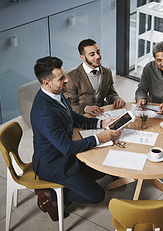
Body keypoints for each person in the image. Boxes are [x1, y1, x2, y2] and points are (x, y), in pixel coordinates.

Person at [31, 56, 122, 222]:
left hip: (65, 155)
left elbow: (72, 116)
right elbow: (66, 148)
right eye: (61, 78)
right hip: (54, 164)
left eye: (65, 75)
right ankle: (50, 195)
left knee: (103, 169)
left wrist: (101, 123)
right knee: (97, 195)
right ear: (46, 82)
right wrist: (99, 138)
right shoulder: (44, 113)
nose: (67, 80)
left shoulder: (55, 93)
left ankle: (68, 186)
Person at [65, 38, 125, 116]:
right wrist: (85, 108)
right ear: (82, 57)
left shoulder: (107, 72)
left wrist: (116, 99)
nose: (97, 57)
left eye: (98, 52)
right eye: (92, 54)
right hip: (83, 115)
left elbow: (111, 93)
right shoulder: (71, 77)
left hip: (103, 112)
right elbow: (70, 105)